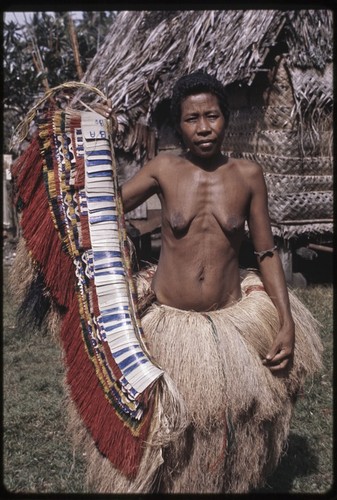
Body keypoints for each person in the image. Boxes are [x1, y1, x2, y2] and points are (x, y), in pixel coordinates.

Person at [79, 72, 322, 493]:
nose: (204, 127)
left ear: (225, 118)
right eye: (193, 118)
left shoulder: (247, 175)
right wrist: (97, 145)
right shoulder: (163, 169)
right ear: (179, 124)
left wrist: (286, 320)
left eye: (212, 115)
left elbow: (264, 253)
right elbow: (104, 207)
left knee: (224, 429)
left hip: (227, 322)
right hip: (169, 323)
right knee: (164, 428)